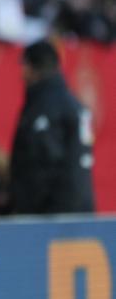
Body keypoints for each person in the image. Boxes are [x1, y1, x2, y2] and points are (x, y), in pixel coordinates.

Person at [9, 40, 95, 215]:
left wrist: (28, 206)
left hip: (53, 212)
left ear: (30, 67)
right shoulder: (72, 103)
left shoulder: (46, 107)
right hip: (81, 205)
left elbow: (42, 161)